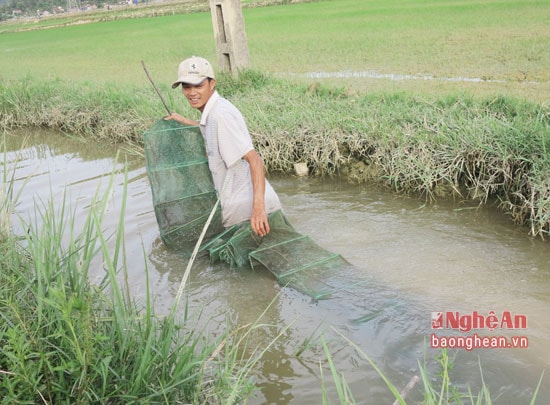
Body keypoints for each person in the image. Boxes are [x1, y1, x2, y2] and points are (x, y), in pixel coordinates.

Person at [165, 56, 282, 238]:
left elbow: (255, 160)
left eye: (198, 85)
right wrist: (185, 121)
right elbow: (212, 132)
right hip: (246, 207)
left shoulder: (220, 116)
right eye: (186, 86)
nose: (192, 92)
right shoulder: (213, 113)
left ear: (212, 84)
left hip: (249, 212)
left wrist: (258, 210)